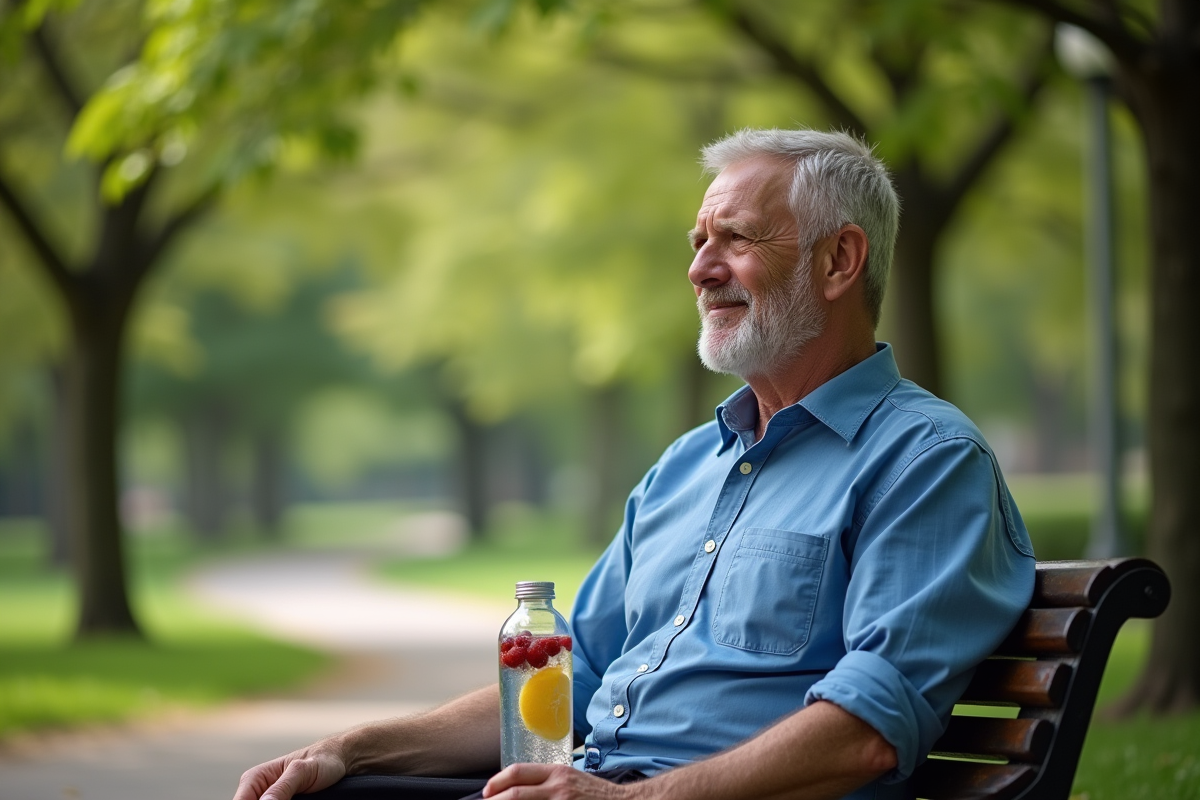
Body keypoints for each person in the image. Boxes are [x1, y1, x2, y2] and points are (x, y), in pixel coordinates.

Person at [233, 128, 1035, 800]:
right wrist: (354, 747)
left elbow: (865, 733)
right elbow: (566, 679)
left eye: (735, 239)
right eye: (697, 243)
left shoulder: (925, 462)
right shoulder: (689, 465)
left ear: (839, 262)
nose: (699, 268)